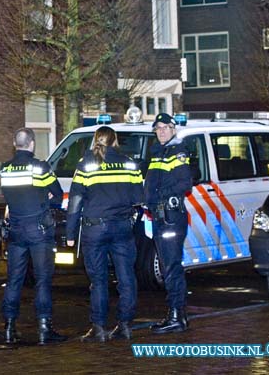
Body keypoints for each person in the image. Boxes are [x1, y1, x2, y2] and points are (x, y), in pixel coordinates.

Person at [66, 126, 143, 342]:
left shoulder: (86, 164)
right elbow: (139, 196)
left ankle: (98, 328)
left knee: (98, 280)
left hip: (95, 229)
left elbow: (75, 202)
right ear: (115, 140)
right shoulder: (129, 163)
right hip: (122, 227)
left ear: (95, 140)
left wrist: (70, 234)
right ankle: (125, 325)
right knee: (126, 277)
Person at [0, 127, 66, 345]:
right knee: (43, 280)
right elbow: (57, 193)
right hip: (39, 232)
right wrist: (44, 195)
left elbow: (11, 196)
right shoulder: (40, 167)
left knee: (14, 280)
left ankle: (9, 327)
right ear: (32, 144)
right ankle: (44, 328)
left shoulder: (5, 169)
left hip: (16, 231)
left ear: (14, 143)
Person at [144, 113, 193, 334]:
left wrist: (156, 196)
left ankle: (176, 316)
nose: (161, 131)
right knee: (168, 267)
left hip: (170, 217)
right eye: (158, 128)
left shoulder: (177, 152)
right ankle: (177, 315)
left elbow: (185, 183)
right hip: (161, 216)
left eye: (165, 127)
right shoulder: (159, 153)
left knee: (171, 268)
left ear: (173, 129)